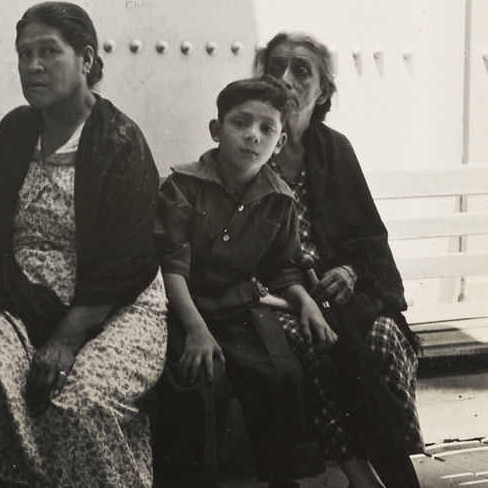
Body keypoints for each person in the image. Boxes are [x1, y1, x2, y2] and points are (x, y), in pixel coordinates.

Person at [0, 1, 168, 488]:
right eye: (24, 53)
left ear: (87, 59)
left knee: (80, 401)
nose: (32, 65)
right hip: (25, 297)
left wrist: (65, 341)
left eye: (49, 52)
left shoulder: (119, 141)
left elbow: (127, 262)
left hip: (114, 306)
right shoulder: (18, 128)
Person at [255, 32, 423, 488]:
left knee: (385, 337)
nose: (285, 78)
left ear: (323, 91)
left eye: (301, 70)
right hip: (278, 297)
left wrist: (351, 271)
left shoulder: (335, 149)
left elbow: (369, 238)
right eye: (275, 67)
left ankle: (387, 461)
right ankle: (362, 476)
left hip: (338, 293)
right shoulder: (250, 145)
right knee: (314, 343)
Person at [155, 76, 331, 487]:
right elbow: (171, 265)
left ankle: (282, 478)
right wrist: (196, 329)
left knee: (279, 372)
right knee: (199, 382)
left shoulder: (279, 199)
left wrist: (305, 302)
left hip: (239, 308)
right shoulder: (183, 187)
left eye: (267, 129)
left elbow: (283, 267)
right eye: (241, 123)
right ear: (217, 130)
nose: (253, 136)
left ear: (279, 142)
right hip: (182, 309)